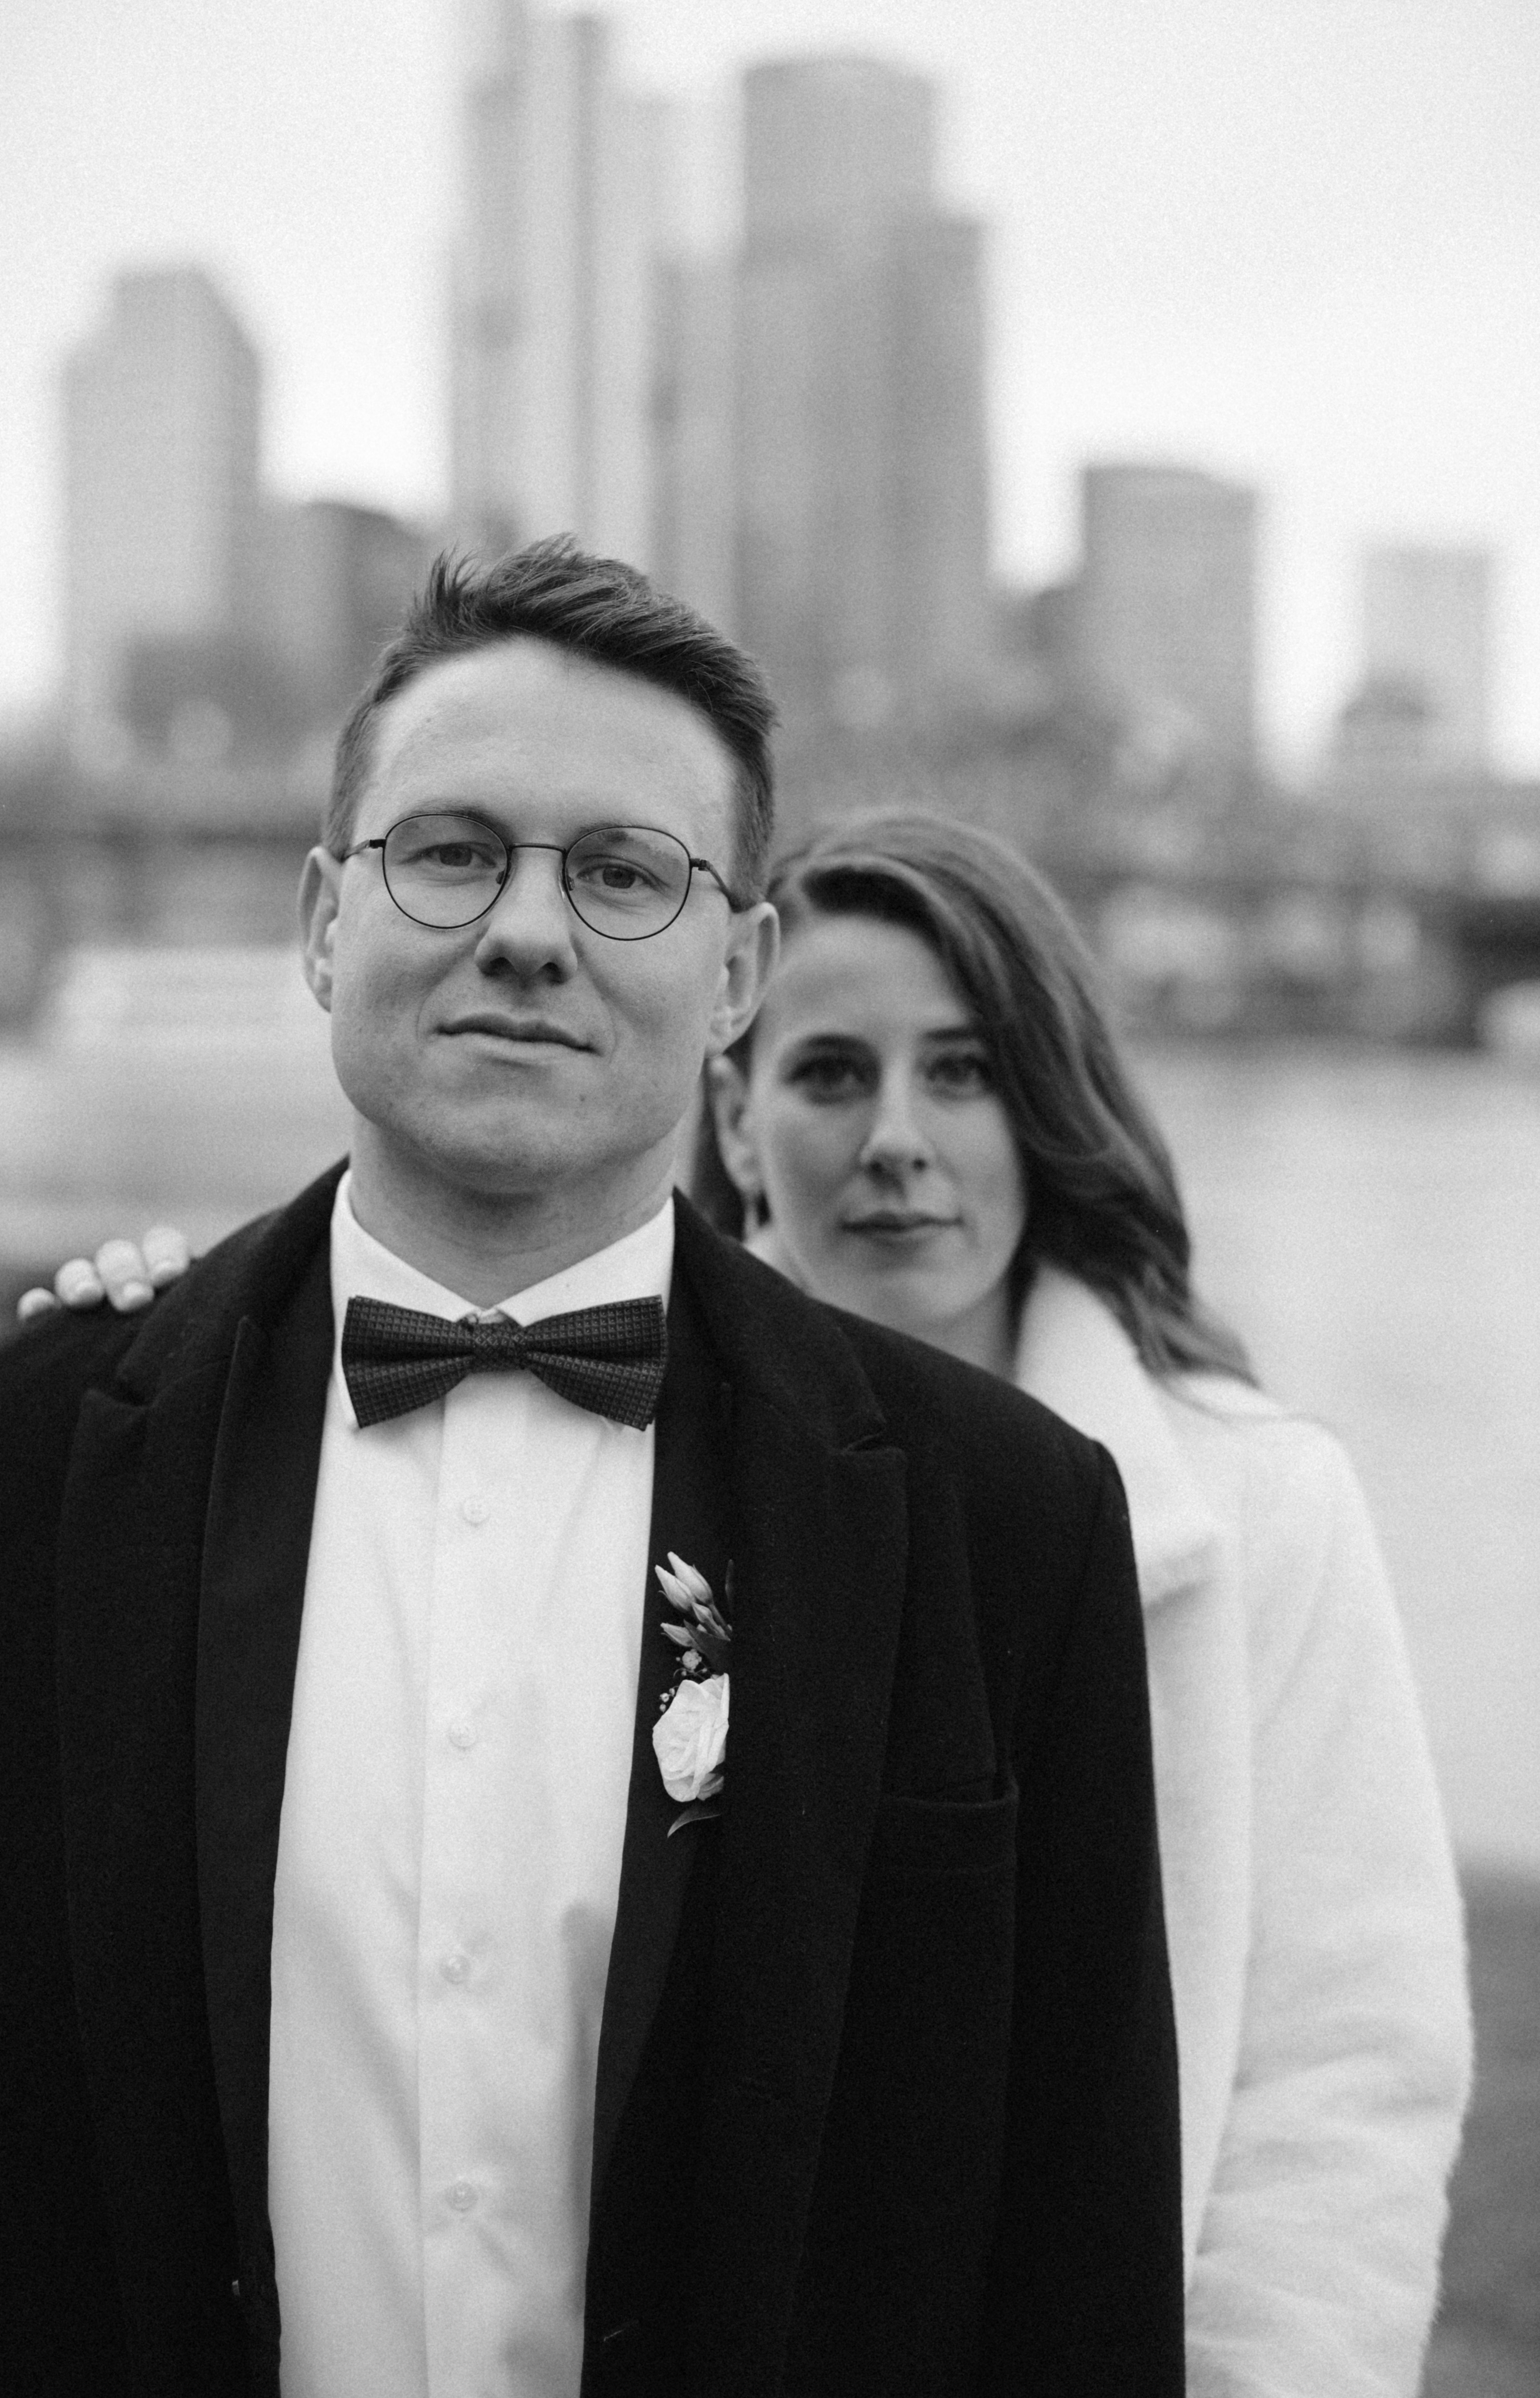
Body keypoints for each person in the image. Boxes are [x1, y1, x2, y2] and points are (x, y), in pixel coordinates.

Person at [0, 545, 1186, 2398]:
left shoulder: (1010, 1523)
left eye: (621, 872)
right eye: (452, 852)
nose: (529, 931)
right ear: (323, 924)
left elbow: (1082, 2258)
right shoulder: (1, 1473)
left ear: (738, 971)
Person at [687, 813, 1468, 2397]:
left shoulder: (1258, 1504)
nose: (897, 1138)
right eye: (831, 1073)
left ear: (1043, 1104)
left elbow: (1345, 2066)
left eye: (963, 1072)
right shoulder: (624, 1467)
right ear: (736, 1117)